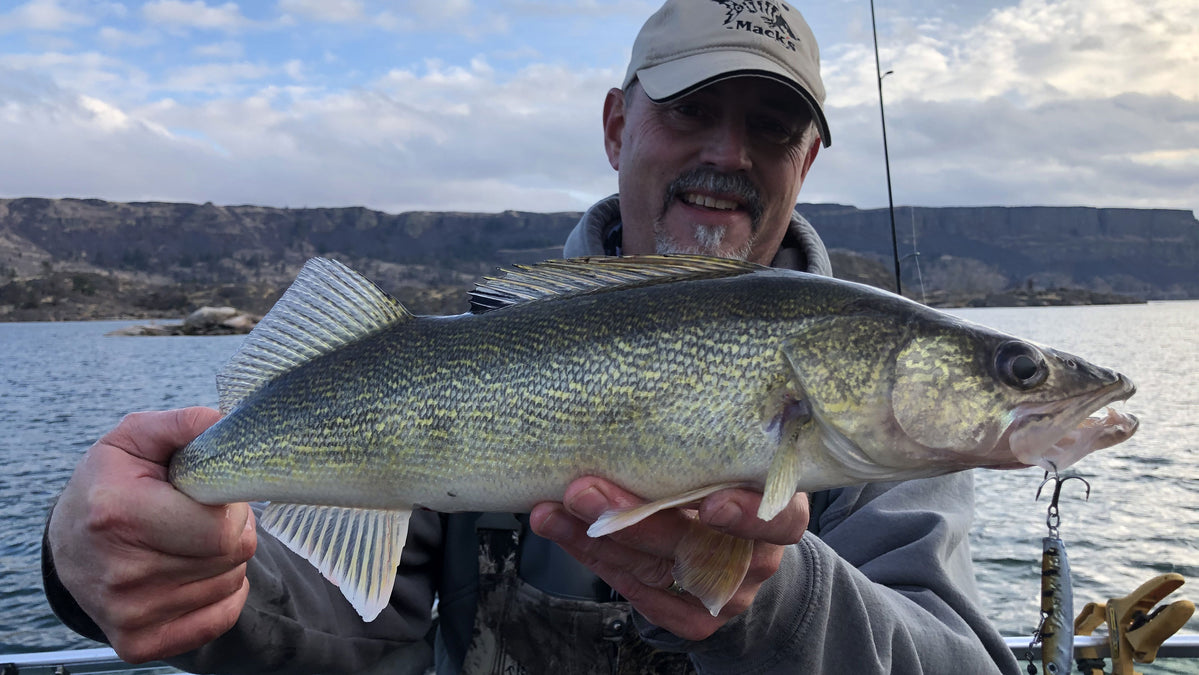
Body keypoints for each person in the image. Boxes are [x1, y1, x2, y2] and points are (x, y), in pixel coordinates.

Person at [42, 1, 1021, 673]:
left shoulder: (888, 412)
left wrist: (771, 596)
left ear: (806, 160)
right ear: (614, 125)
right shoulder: (472, 345)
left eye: (769, 128)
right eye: (689, 112)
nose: (727, 154)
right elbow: (340, 633)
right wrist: (146, 562)